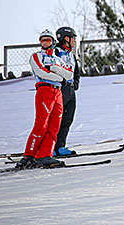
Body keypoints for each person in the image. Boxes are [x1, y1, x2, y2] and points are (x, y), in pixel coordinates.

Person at [16, 29, 74, 169]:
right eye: (43, 40)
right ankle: (29, 155)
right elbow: (41, 71)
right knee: (41, 124)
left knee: (54, 126)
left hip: (57, 93)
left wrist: (53, 68)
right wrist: (59, 77)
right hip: (45, 90)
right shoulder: (36, 56)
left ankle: (45, 155)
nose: (45, 43)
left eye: (48, 40)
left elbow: (70, 74)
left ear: (53, 42)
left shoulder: (57, 59)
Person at [53, 26, 80, 156]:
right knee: (56, 119)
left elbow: (76, 71)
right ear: (66, 38)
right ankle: (50, 146)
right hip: (59, 89)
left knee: (67, 119)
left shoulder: (71, 55)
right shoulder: (55, 52)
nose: (74, 41)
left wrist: (75, 84)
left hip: (70, 90)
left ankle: (60, 146)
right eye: (73, 38)